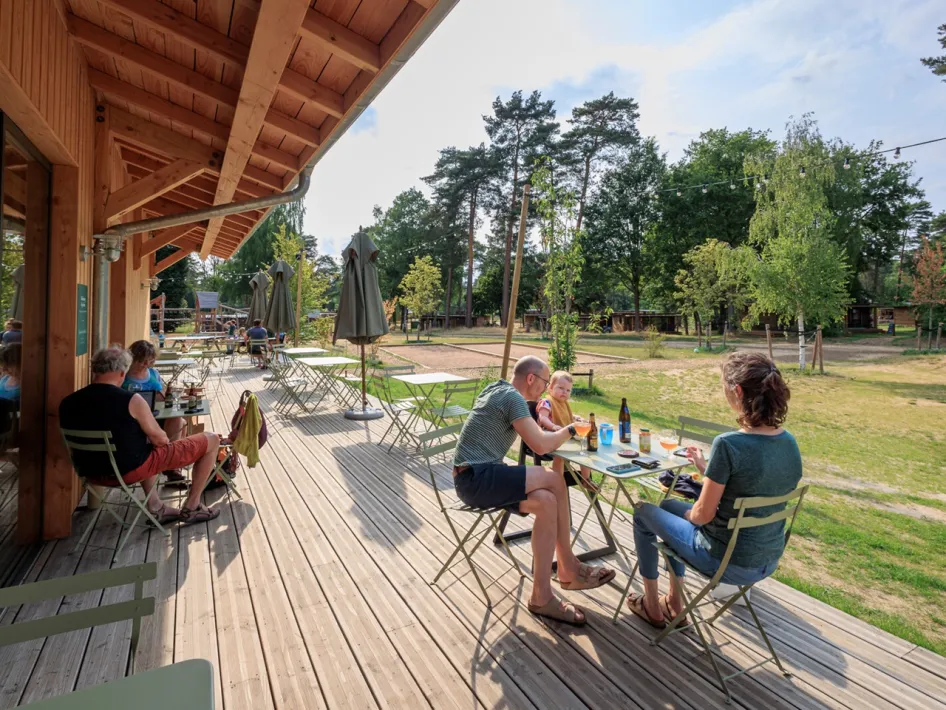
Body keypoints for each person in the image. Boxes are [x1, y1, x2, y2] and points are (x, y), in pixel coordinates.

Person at [626, 352, 802, 629]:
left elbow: (701, 516)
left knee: (642, 511)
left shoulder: (729, 444)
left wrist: (692, 514)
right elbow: (752, 482)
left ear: (738, 391)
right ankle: (674, 602)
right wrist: (706, 468)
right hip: (766, 558)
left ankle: (652, 606)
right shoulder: (788, 442)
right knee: (669, 506)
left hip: (724, 559)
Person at [453, 355, 615, 626]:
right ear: (531, 378)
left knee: (547, 501)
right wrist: (572, 429)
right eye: (543, 381)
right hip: (476, 477)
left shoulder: (496, 389)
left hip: (473, 479)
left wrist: (558, 424)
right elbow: (541, 446)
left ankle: (541, 596)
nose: (545, 387)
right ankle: (568, 566)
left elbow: (537, 431)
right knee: (554, 479)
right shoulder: (512, 398)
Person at [59, 346, 220, 524]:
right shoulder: (132, 400)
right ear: (122, 372)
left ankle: (156, 506)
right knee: (212, 439)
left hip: (89, 473)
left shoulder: (67, 403)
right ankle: (193, 506)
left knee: (142, 447)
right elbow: (162, 440)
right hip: (128, 471)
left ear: (94, 369)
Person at [123, 340, 187, 485]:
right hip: (134, 421)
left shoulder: (153, 373)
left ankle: (170, 463)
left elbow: (164, 395)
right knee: (180, 424)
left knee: (179, 420)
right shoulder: (124, 375)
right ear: (132, 358)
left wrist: (167, 394)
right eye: (142, 362)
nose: (146, 365)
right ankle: (169, 464)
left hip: (157, 415)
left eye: (150, 362)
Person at [536, 371, 597, 491]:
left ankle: (586, 479)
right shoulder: (547, 402)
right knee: (561, 456)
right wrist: (553, 426)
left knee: (584, 448)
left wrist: (575, 418)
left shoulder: (563, 404)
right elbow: (542, 418)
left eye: (568, 390)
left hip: (564, 437)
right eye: (561, 388)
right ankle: (557, 479)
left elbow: (566, 416)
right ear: (550, 388)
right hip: (550, 438)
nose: (564, 392)